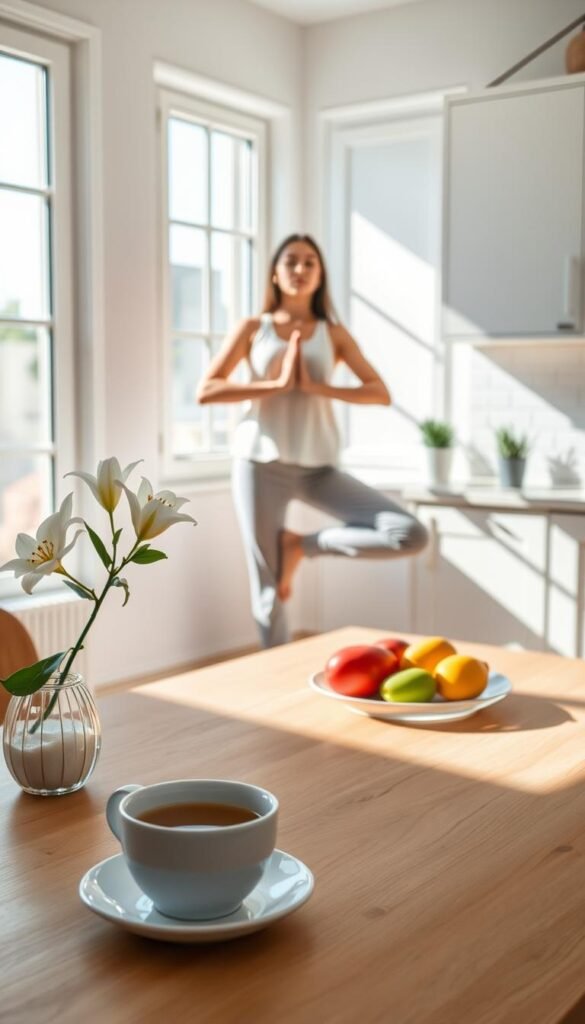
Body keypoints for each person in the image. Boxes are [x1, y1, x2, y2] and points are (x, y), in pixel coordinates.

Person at [197, 234, 428, 648]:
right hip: (259, 463)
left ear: (320, 275)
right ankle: (277, 681)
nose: (300, 270)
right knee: (268, 590)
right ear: (274, 272)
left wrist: (317, 388)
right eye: (291, 262)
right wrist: (276, 384)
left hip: (318, 468)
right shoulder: (253, 329)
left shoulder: (333, 334)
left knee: (409, 533)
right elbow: (207, 390)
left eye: (309, 263)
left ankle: (300, 545)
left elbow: (379, 392)